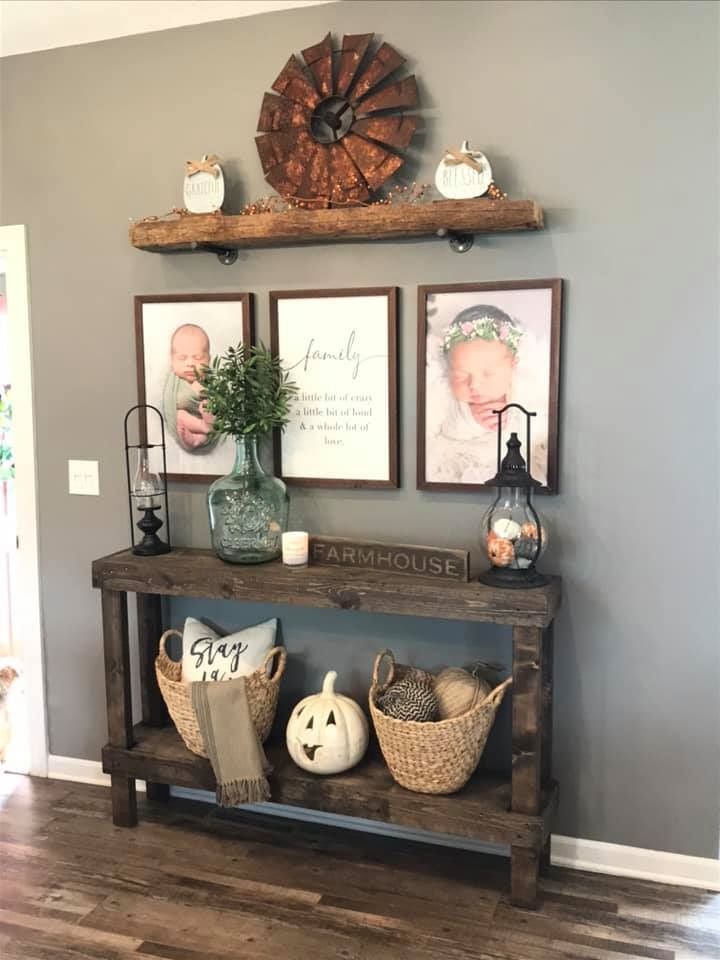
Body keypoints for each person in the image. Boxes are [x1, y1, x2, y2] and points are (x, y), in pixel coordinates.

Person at [427, 304, 546, 484]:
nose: (474, 385)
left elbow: (540, 429)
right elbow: (433, 434)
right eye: (460, 376)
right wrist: (473, 421)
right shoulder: (446, 397)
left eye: (488, 374)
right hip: (457, 469)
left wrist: (512, 415)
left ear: (513, 365)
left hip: (511, 474)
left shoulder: (523, 391)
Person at [162, 323, 219, 452]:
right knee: (180, 415)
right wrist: (193, 392)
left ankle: (200, 437)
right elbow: (175, 403)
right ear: (172, 360)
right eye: (182, 358)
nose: (190, 364)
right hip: (188, 422)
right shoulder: (175, 384)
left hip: (205, 417)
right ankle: (202, 428)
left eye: (198, 358)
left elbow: (216, 399)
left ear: (208, 360)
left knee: (208, 408)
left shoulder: (208, 379)